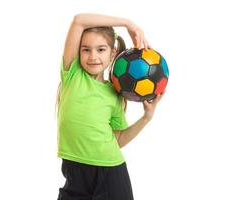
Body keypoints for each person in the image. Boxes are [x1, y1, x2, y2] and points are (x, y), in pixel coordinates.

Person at [56, 13, 164, 200]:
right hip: (74, 171)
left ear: (112, 53)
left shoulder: (114, 94)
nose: (93, 56)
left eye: (101, 49)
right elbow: (79, 20)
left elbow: (118, 139)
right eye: (86, 50)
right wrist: (127, 22)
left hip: (110, 172)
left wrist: (146, 118)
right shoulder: (72, 75)